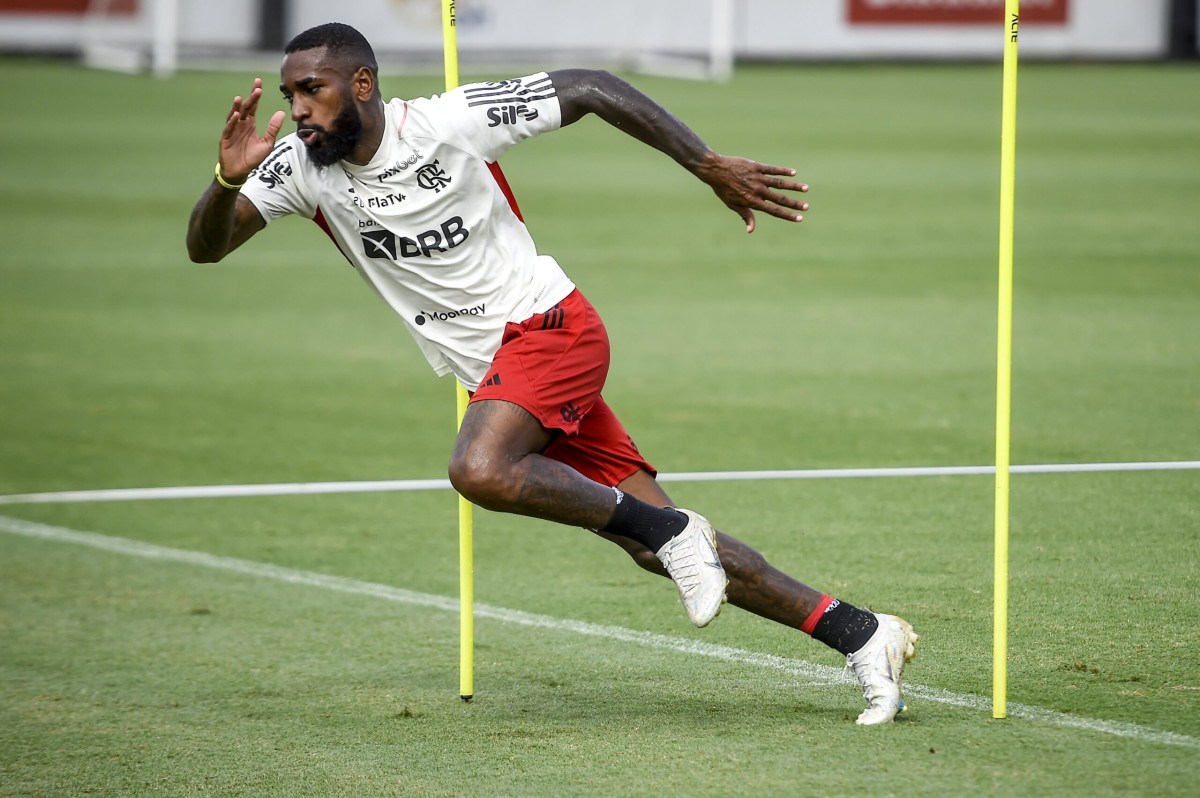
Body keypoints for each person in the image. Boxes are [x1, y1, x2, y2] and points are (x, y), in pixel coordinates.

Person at [186, 22, 918, 725]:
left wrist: (707, 165)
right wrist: (226, 179)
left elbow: (592, 87)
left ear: (364, 83)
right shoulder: (298, 170)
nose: (298, 111)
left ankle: (671, 531)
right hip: (503, 377)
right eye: (290, 97)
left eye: (312, 90)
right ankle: (860, 633)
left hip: (551, 330)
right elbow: (205, 250)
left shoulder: (446, 122)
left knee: (480, 467)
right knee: (651, 544)